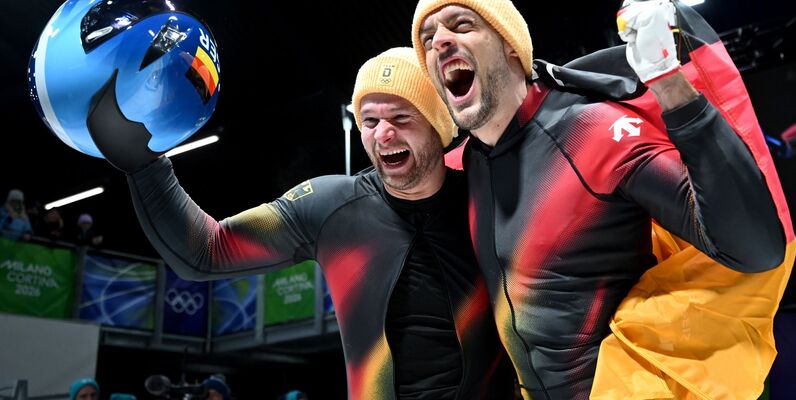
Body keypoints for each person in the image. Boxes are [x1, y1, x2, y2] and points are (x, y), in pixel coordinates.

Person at [411, 0, 794, 398]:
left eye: (461, 24)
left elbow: (755, 250)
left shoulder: (592, 131)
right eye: (427, 38)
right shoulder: (458, 170)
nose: (439, 40)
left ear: (510, 46)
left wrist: (669, 84)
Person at [87, 48, 514, 399]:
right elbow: (206, 250)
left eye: (401, 118)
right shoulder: (332, 206)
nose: (383, 133)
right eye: (369, 121)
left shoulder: (487, 190)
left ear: (439, 125)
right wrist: (144, 166)